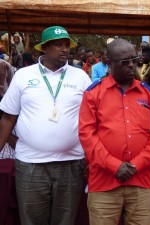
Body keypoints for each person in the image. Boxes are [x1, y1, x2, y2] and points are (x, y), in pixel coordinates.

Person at [0, 25, 92, 225]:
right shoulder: (24, 75)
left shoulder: (81, 77)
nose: (65, 49)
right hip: (31, 165)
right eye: (58, 45)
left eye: (67, 45)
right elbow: (8, 117)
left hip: (71, 163)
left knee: (65, 221)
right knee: (31, 221)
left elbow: (93, 119)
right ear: (44, 48)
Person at [78, 38, 150, 225]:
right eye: (125, 62)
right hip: (104, 184)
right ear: (109, 63)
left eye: (134, 60)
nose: (132, 65)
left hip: (140, 182)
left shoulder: (149, 95)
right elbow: (87, 136)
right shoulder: (93, 94)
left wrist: (135, 165)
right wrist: (114, 166)